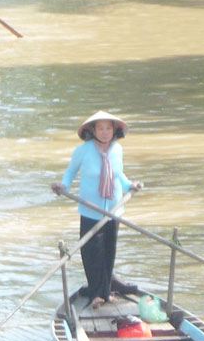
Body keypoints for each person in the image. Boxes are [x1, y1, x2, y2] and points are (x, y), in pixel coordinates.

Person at [51, 111, 142, 309]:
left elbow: (119, 174)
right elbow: (70, 173)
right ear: (92, 130)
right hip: (90, 211)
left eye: (108, 128)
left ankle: (106, 290)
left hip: (113, 210)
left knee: (109, 251)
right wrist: (62, 186)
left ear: (114, 130)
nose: (105, 132)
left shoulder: (117, 150)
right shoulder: (83, 151)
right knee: (92, 253)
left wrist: (130, 185)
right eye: (100, 128)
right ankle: (95, 293)